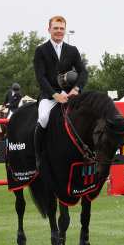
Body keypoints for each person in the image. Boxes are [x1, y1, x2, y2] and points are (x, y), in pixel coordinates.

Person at [33, 15, 88, 169]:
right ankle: (38, 156)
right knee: (43, 118)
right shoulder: (41, 50)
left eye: (61, 28)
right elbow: (40, 77)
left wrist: (76, 89)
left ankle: (87, 154)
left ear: (64, 30)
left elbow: (83, 72)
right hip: (49, 96)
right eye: (55, 28)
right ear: (49, 29)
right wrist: (55, 95)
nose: (59, 31)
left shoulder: (72, 50)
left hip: (70, 95)